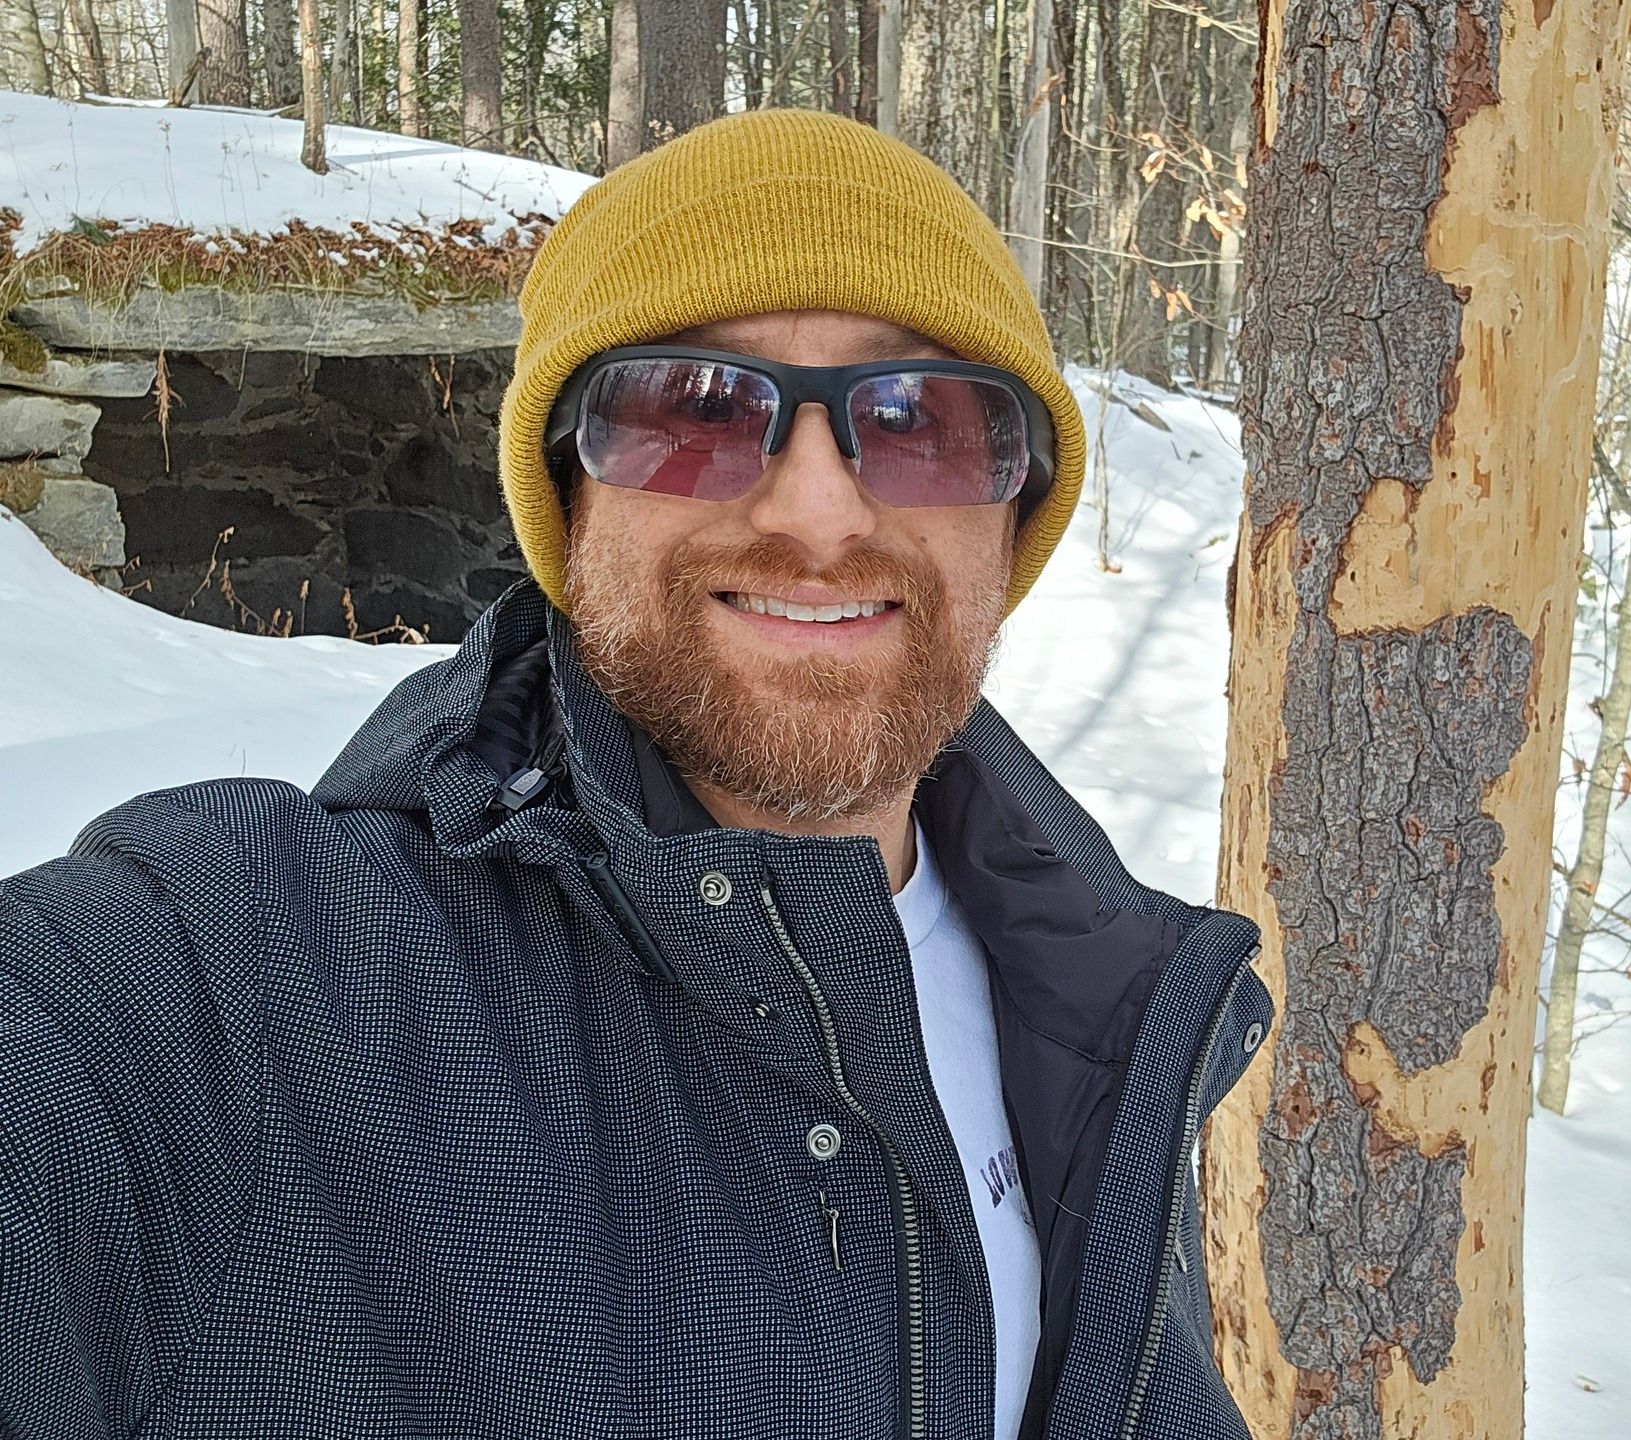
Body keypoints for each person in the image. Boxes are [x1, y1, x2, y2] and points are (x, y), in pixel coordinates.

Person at [0, 110, 1271, 1440]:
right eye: (697, 410)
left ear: (1013, 515)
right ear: (565, 498)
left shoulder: (1103, 997)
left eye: (921, 418)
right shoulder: (249, 984)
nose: (820, 514)